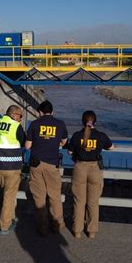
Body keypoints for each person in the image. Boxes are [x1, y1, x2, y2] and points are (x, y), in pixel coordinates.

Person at [68, 110, 114, 239]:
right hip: (95, 169)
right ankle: (92, 231)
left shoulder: (77, 135)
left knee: (79, 201)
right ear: (95, 121)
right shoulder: (100, 135)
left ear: (82, 121)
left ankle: (77, 231)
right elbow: (111, 147)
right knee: (93, 202)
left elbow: (70, 152)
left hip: (80, 168)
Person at [25, 100, 68, 237]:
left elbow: (27, 146)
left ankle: (42, 227)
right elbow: (64, 142)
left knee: (39, 197)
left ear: (40, 112)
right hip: (52, 164)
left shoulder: (34, 124)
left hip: (36, 164)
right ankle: (58, 225)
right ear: (52, 112)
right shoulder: (60, 124)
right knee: (55, 196)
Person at [0, 105, 26, 235]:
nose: (21, 119)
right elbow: (23, 142)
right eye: (20, 116)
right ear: (14, 114)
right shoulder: (16, 126)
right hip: (12, 166)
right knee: (9, 196)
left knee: (5, 191)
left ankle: (8, 217)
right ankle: (5, 226)